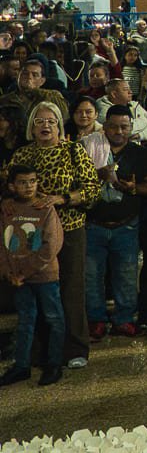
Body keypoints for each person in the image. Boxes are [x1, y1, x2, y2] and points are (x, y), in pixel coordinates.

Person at [9, 100, 102, 370]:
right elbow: (9, 188)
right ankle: (41, 350)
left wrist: (61, 199)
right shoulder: (22, 155)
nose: (45, 125)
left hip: (70, 230)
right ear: (32, 127)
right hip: (32, 234)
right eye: (40, 121)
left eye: (51, 121)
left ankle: (75, 348)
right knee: (36, 290)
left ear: (60, 126)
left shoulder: (73, 151)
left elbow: (92, 190)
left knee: (71, 289)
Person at [87, 105, 147, 338]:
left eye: (124, 126)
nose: (118, 131)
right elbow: (76, 180)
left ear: (131, 128)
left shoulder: (140, 153)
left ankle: (124, 319)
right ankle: (96, 319)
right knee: (91, 275)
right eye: (113, 126)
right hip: (93, 224)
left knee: (126, 274)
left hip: (126, 225)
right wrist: (98, 175)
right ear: (104, 127)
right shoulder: (89, 147)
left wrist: (134, 188)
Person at [0, 164, 65, 386]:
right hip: (18, 277)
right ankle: (22, 365)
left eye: (32, 181)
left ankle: (54, 363)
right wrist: (8, 272)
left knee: (54, 318)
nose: (28, 187)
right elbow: (3, 244)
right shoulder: (7, 209)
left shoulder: (45, 208)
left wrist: (24, 273)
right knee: (25, 320)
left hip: (43, 276)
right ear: (12, 185)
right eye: (22, 182)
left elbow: (50, 246)